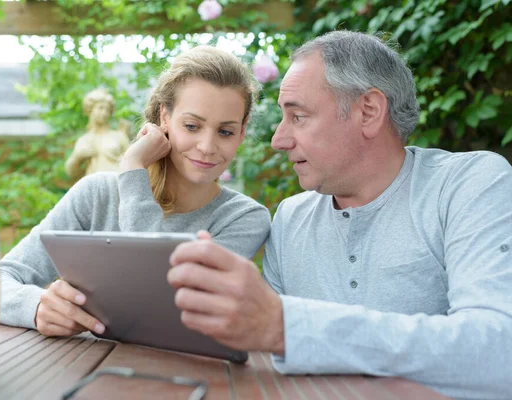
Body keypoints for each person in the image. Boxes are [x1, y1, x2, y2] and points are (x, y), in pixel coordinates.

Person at [168, 31, 512, 400]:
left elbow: (499, 351)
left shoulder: (467, 185)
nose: (279, 140)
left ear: (368, 111)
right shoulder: (291, 217)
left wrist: (287, 327)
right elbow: (259, 355)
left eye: (298, 116)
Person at [0, 46, 271, 338]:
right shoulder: (96, 194)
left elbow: (157, 299)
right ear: (165, 117)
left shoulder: (245, 219)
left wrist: (132, 165)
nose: (207, 145)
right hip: (77, 367)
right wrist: (36, 307)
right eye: (192, 126)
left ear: (241, 133)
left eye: (225, 132)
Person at [64, 87, 131, 179]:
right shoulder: (84, 140)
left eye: (107, 110)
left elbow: (132, 164)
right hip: (93, 188)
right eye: (101, 108)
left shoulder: (119, 136)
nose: (104, 113)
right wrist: (77, 157)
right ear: (90, 109)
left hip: (115, 186)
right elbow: (71, 172)